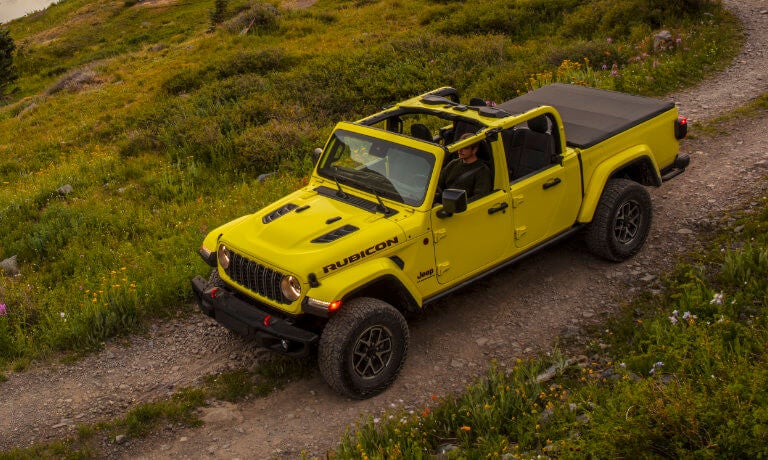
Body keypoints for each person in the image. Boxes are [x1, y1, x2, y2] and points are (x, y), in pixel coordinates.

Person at [437, 133, 492, 202]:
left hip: (463, 208)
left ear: (474, 150)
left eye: (465, 148)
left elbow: (480, 196)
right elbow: (439, 182)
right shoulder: (453, 163)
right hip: (444, 202)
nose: (460, 150)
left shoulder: (482, 171)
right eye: (459, 146)